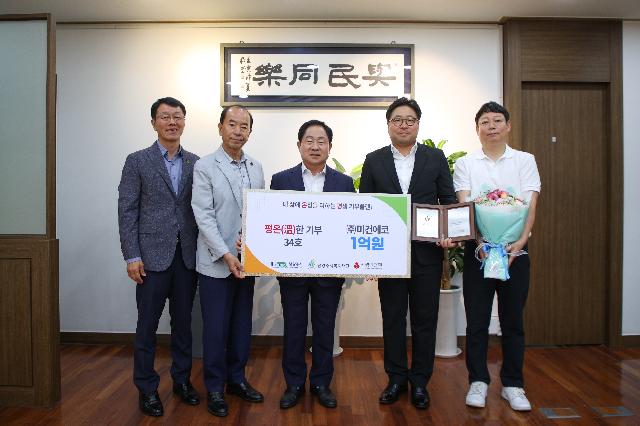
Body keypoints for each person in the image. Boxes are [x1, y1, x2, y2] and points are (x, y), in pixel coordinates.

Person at [359, 97, 457, 409]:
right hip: (388, 256)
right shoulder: (374, 160)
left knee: (425, 319)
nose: (404, 125)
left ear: (418, 124)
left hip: (426, 255)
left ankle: (420, 381)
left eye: (410, 120)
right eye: (397, 120)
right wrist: (369, 257)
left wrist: (449, 233)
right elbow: (366, 208)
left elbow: (448, 200)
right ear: (388, 125)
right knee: (393, 318)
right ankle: (396, 378)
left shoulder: (435, 157)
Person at [453, 101, 540, 411]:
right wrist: (481, 243)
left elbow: (530, 203)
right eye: (485, 122)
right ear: (477, 129)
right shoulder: (465, 164)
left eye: (497, 120)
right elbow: (466, 205)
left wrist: (521, 240)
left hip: (517, 251)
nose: (491, 126)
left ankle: (513, 385)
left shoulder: (525, 160)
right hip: (479, 252)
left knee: (513, 320)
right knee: (477, 321)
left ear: (508, 126)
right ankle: (478, 381)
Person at [118, 97, 200, 417]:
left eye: (177, 117)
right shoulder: (137, 161)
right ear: (153, 123)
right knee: (147, 327)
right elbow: (127, 211)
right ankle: (147, 388)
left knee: (183, 325)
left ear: (184, 122)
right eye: (165, 117)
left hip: (187, 257)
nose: (172, 122)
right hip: (150, 259)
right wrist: (132, 255)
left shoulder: (196, 162)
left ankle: (182, 380)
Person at [270, 120, 356, 409]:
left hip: (329, 273)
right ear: (299, 145)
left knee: (324, 328)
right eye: (309, 140)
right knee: (293, 328)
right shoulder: (281, 180)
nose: (315, 146)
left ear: (330, 147)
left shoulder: (344, 183)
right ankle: (294, 383)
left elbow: (351, 225)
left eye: (322, 141)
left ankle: (321, 383)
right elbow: (272, 221)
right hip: (292, 270)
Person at [191, 105, 265, 418]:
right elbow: (203, 216)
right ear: (220, 127)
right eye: (232, 124)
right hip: (216, 262)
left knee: (241, 325)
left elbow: (260, 212)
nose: (238, 131)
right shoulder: (205, 166)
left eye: (243, 126)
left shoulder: (256, 167)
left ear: (250, 131)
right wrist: (226, 253)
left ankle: (237, 380)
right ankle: (214, 387)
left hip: (247, 263)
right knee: (215, 329)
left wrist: (252, 247)